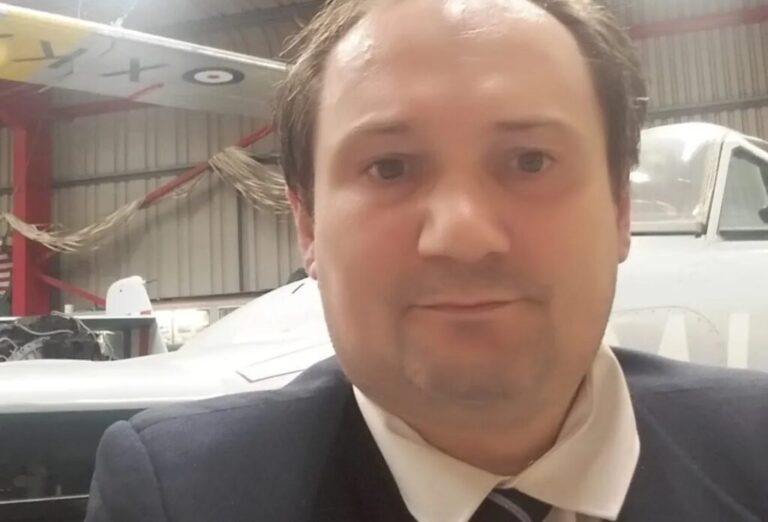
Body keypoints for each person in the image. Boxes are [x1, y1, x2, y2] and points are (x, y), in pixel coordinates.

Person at [85, 0, 768, 520]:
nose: (462, 236)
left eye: (531, 161)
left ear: (620, 208)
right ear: (308, 224)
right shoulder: (176, 497)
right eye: (389, 167)